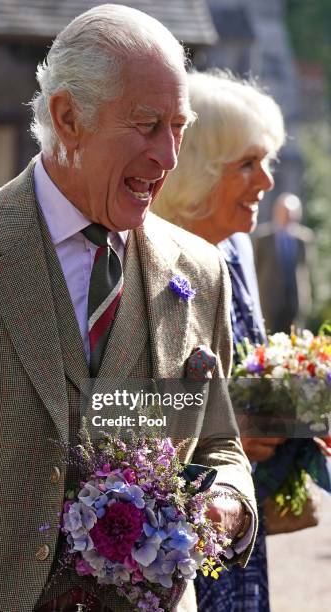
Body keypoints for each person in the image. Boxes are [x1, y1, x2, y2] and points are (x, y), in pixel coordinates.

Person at [0, 6, 256, 612]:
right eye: (149, 125)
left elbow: (218, 449)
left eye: (179, 127)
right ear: (68, 118)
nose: (170, 156)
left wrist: (227, 505)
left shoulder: (201, 272)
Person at [152, 70, 287, 612]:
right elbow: (98, 408)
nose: (268, 182)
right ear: (200, 171)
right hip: (174, 541)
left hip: (233, 528)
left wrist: (296, 414)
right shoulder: (144, 260)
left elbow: (245, 373)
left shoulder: (234, 256)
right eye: (248, 164)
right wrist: (225, 433)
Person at [254, 192, 315, 333]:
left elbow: (307, 269)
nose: (288, 216)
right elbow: (256, 268)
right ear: (277, 212)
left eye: (291, 213)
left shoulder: (304, 239)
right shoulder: (263, 238)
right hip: (269, 302)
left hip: (295, 302)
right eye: (285, 212)